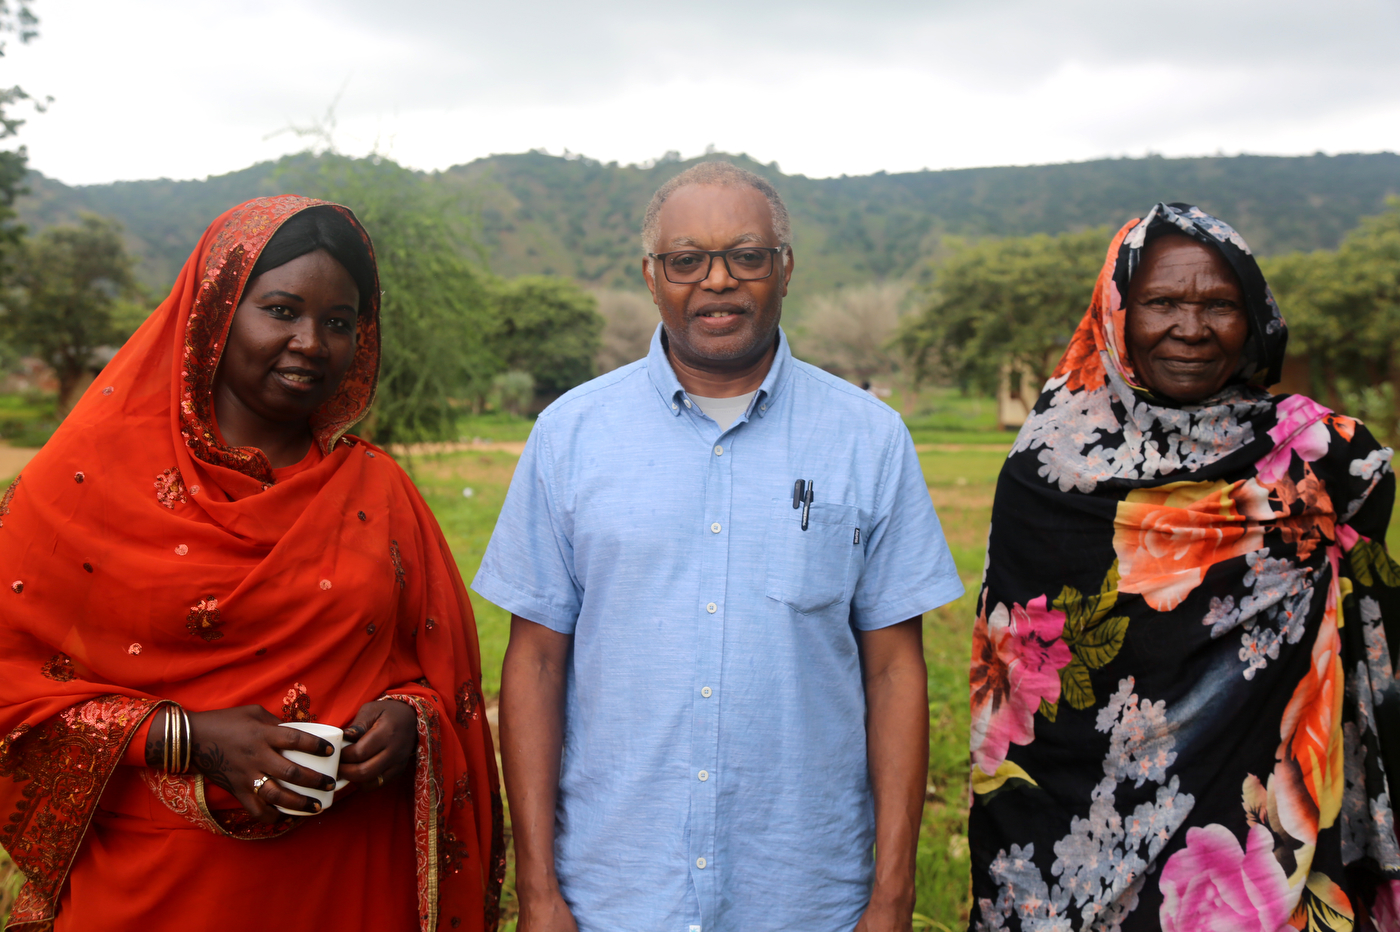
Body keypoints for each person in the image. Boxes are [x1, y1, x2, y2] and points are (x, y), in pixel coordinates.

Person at [474, 161, 964, 932]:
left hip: (808, 898)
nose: (717, 282)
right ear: (651, 275)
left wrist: (892, 897)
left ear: (785, 268)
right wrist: (539, 892)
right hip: (616, 893)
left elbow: (896, 668)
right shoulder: (570, 435)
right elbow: (533, 664)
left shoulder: (868, 440)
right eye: (687, 260)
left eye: (746, 256)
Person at [0, 196, 504, 931]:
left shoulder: (377, 490)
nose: (311, 342)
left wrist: (408, 721)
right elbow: (15, 690)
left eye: (339, 323)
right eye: (280, 310)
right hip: (159, 882)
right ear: (213, 315)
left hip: (349, 873)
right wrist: (189, 738)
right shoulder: (83, 486)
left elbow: (433, 676)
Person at [968, 203, 1400, 929]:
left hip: (1259, 836)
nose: (1192, 329)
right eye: (1162, 302)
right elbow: (1025, 687)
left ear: (1255, 317)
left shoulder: (1326, 457)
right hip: (1072, 831)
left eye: (1220, 305)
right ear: (1116, 313)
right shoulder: (1047, 469)